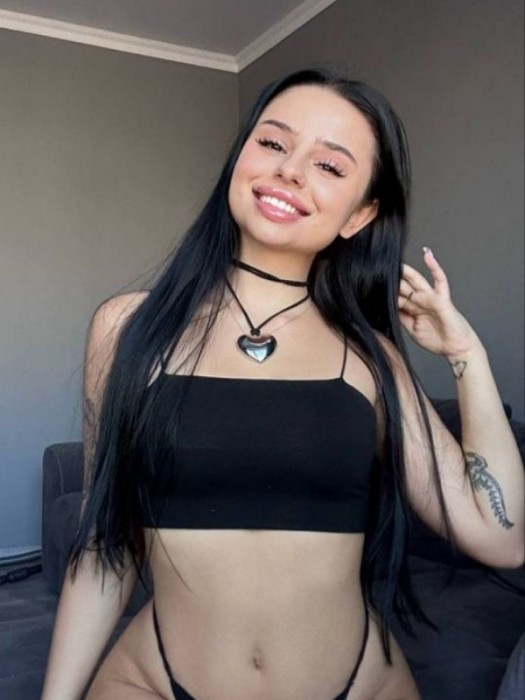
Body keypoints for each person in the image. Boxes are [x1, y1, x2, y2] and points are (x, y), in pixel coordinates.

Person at [42, 67, 524, 700]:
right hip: (153, 681)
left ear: (360, 214)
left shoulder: (371, 358)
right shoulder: (127, 328)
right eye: (272, 142)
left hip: (360, 685)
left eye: (329, 166)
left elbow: (501, 537)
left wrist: (466, 355)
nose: (290, 170)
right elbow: (105, 545)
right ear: (240, 160)